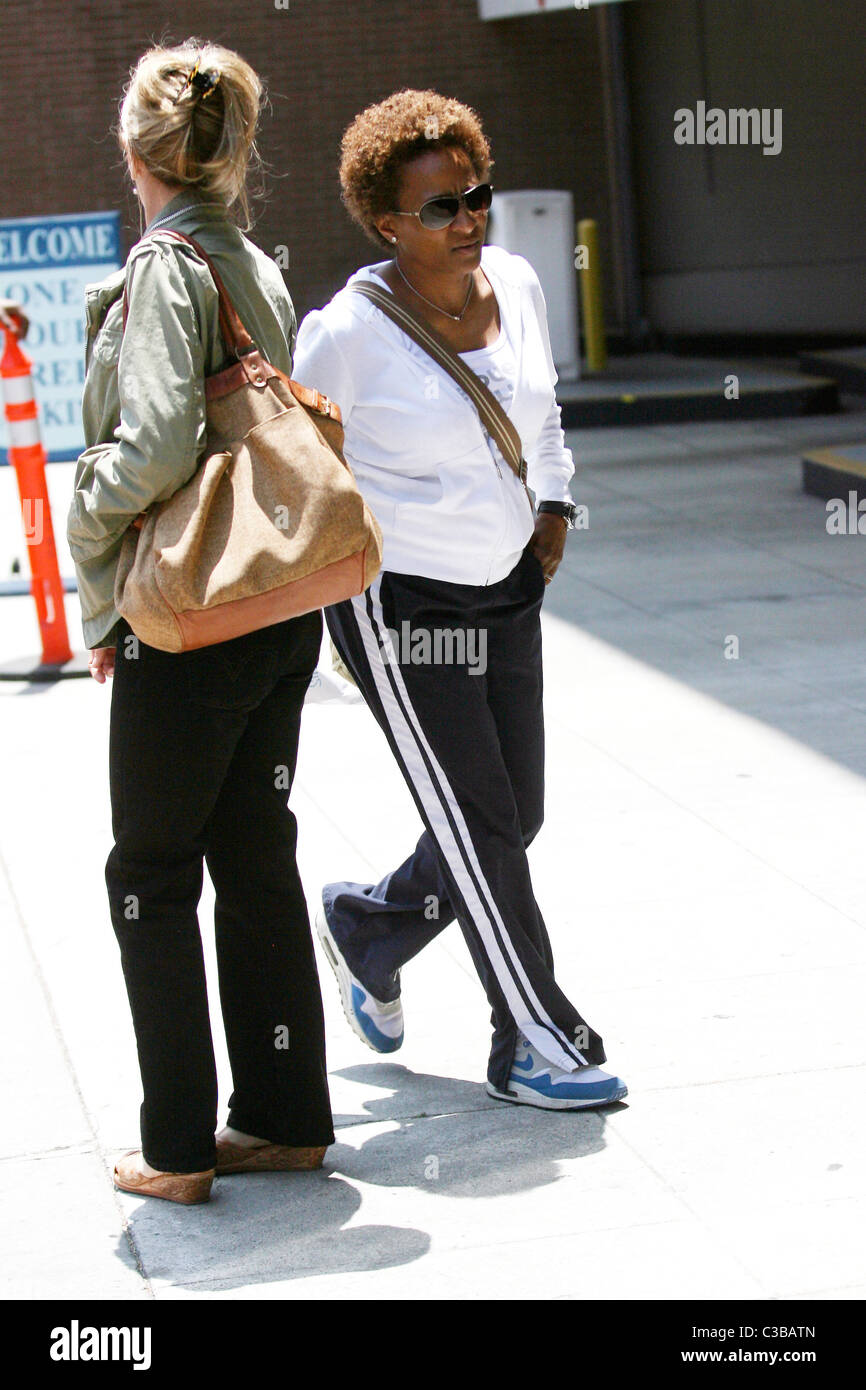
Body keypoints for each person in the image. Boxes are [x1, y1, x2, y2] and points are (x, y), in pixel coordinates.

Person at [292, 89, 627, 1112]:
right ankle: (533, 1037)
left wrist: (555, 505)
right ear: (386, 221)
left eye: (474, 194)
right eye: (439, 207)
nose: (467, 219)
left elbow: (542, 408)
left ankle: (368, 924)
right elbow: (303, 467)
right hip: (403, 604)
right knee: (481, 821)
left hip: (505, 582)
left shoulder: (516, 283)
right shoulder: (347, 331)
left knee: (513, 812)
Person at [67, 40, 334, 1205]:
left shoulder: (166, 265)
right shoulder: (253, 264)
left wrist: (86, 513)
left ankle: (175, 1148)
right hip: (277, 605)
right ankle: (281, 1117)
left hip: (193, 620)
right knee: (254, 854)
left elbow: (158, 446)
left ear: (135, 153)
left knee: (149, 871)